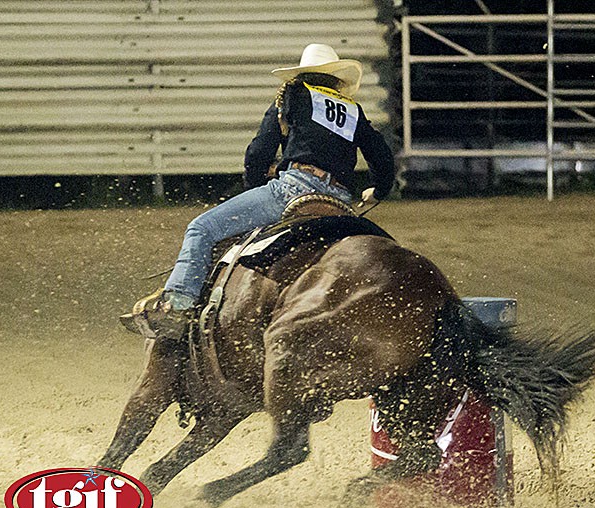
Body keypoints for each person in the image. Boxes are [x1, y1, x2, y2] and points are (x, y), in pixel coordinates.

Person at [126, 43, 395, 339]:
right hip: (340, 199)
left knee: (201, 228)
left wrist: (255, 187)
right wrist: (378, 190)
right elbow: (381, 156)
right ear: (336, 79)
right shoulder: (352, 110)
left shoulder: (291, 94)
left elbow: (259, 152)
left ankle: (178, 305)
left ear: (304, 73)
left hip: (295, 190)